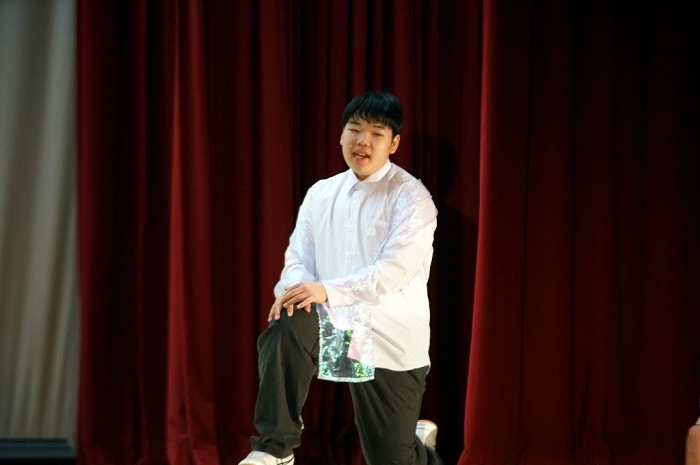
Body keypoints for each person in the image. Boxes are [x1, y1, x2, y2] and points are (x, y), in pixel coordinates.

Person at [239, 91, 443, 465]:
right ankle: (275, 449)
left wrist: (324, 290)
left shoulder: (412, 197)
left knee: (392, 460)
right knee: (288, 319)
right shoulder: (321, 193)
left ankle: (418, 445)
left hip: (388, 335)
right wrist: (297, 289)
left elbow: (392, 272)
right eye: (355, 129)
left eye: (377, 133)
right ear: (341, 135)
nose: (363, 141)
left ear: (393, 143)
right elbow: (298, 258)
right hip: (338, 329)